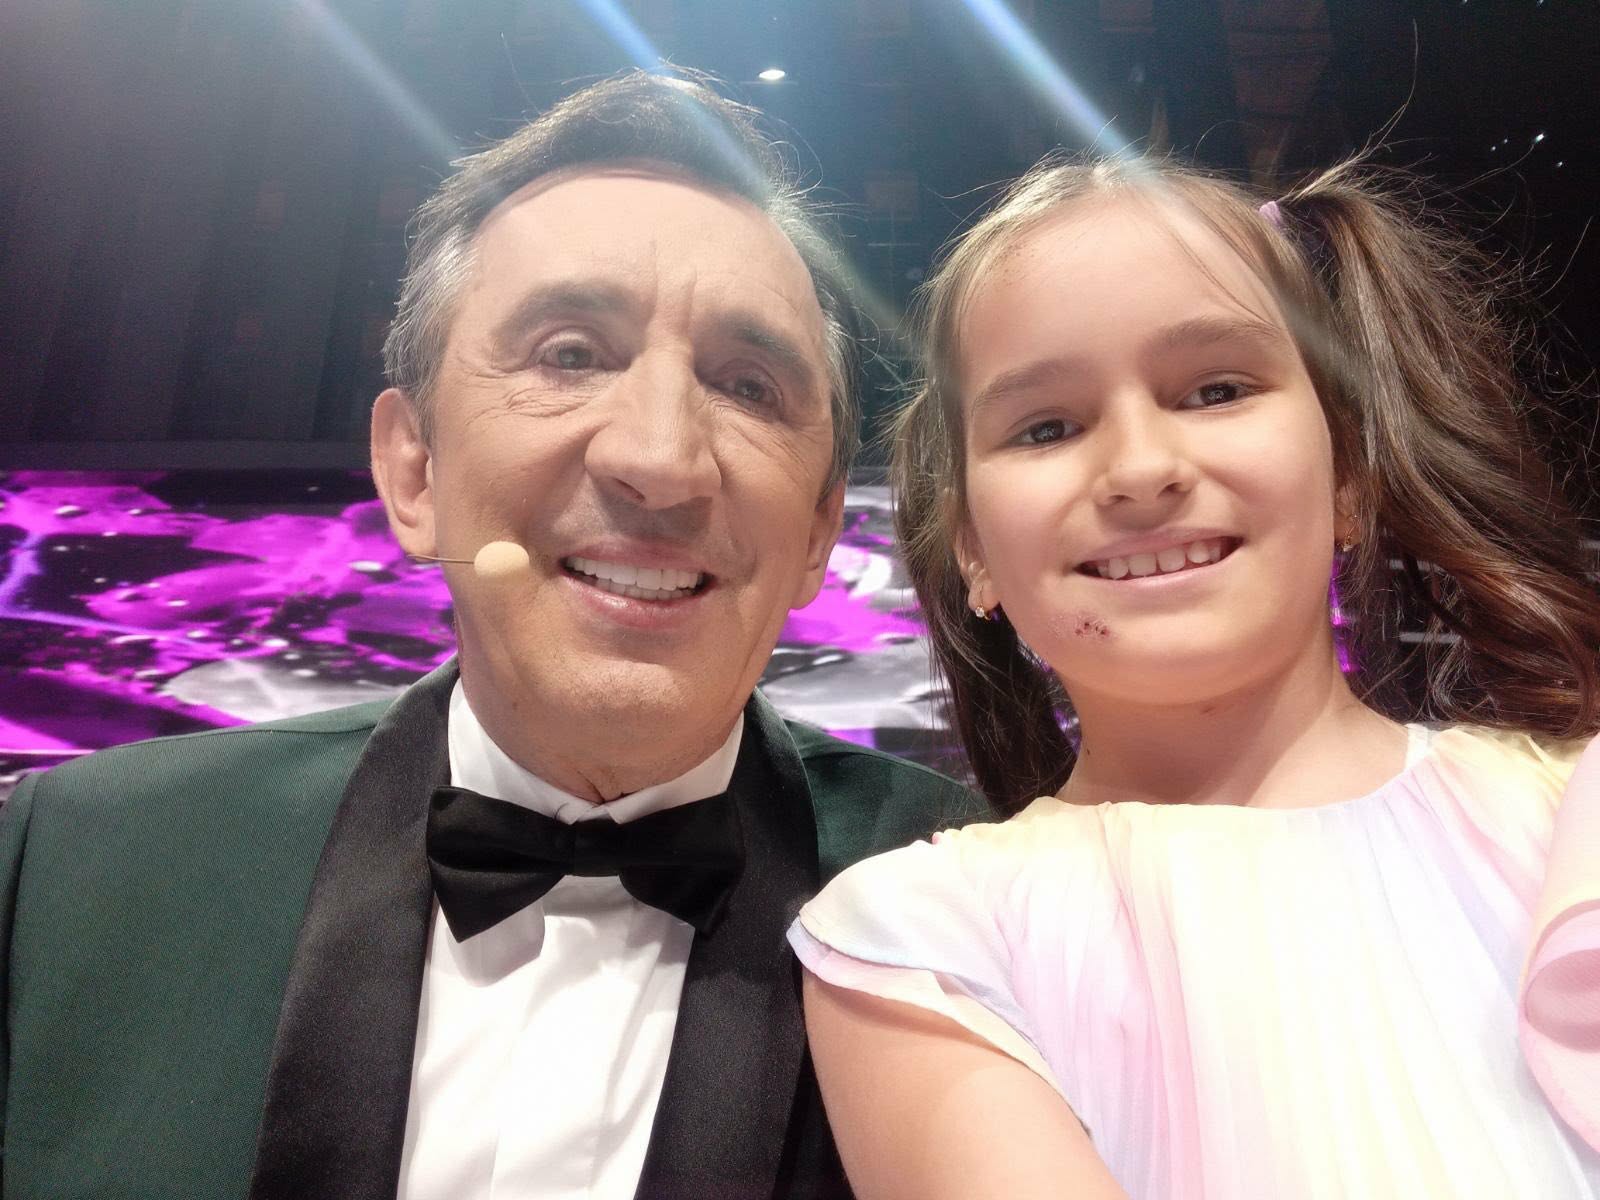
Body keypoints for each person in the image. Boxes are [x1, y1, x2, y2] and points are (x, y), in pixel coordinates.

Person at [0, 72, 972, 1199]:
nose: (660, 458)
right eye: (570, 354)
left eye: (748, 386)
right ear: (413, 470)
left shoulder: (981, 914)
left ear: (817, 533)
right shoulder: (70, 865)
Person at [789, 153, 1600, 1199]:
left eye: (1216, 390)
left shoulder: (1570, 822)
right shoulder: (918, 941)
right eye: (1046, 427)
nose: (1140, 470)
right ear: (973, 551)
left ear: (1349, 470)